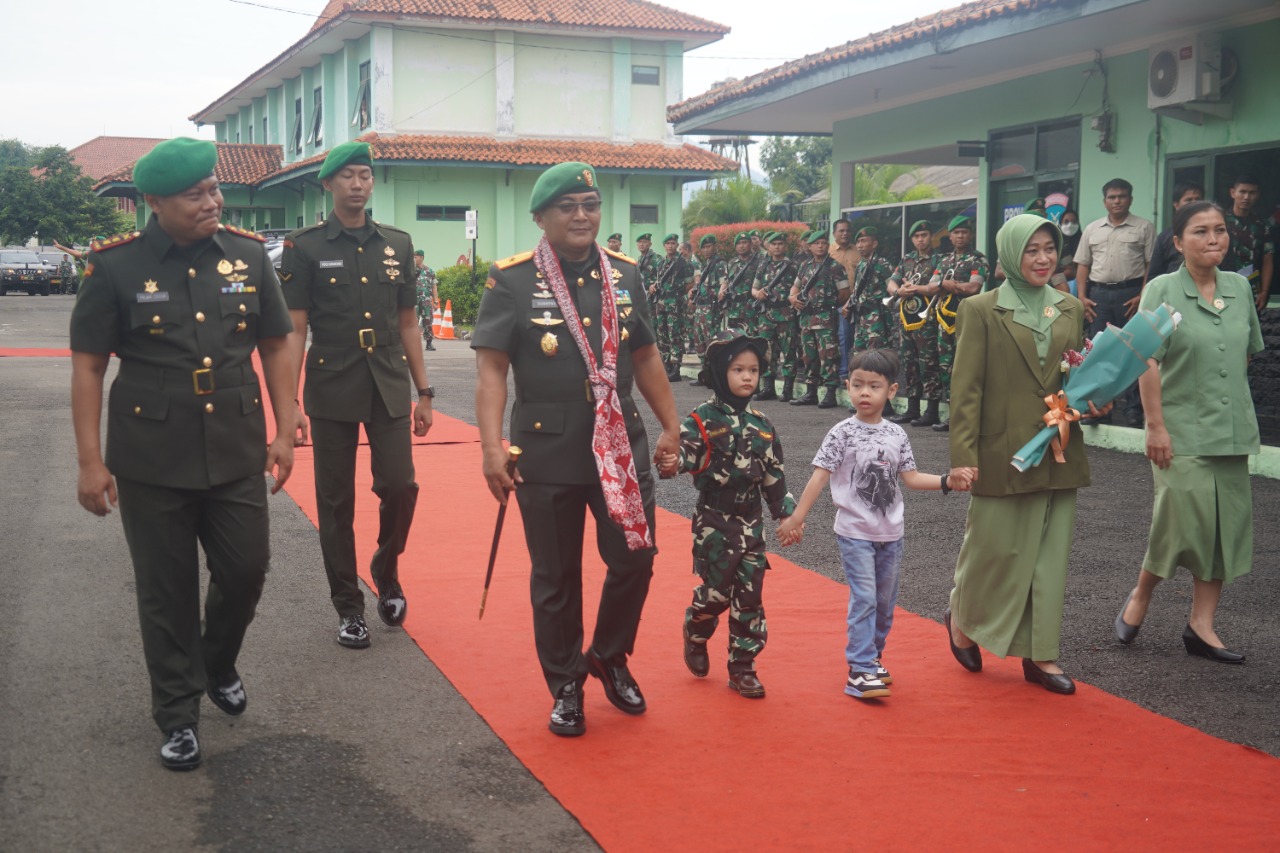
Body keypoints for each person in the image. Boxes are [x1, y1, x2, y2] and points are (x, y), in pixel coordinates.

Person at [70, 138, 297, 770]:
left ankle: (216, 659)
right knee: (165, 591)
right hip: (151, 454)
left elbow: (277, 344)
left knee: (247, 570)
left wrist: (286, 425)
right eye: (195, 195)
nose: (212, 202)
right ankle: (177, 715)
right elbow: (88, 367)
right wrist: (91, 461)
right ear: (154, 202)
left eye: (215, 190)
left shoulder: (249, 257)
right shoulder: (113, 267)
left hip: (235, 444)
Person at [473, 161, 681, 737]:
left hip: (620, 445)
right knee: (557, 574)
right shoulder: (511, 280)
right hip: (547, 451)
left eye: (589, 204)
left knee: (636, 556)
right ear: (541, 218)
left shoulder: (626, 274)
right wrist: (492, 447)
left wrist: (671, 425)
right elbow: (491, 372)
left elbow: (646, 358)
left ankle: (609, 656)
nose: (582, 216)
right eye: (567, 207)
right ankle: (566, 682)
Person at [944, 213, 1113, 695]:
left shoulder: (1068, 306)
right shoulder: (980, 308)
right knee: (992, 550)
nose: (1042, 259)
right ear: (1009, 255)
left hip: (1058, 448)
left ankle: (1042, 654)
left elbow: (1076, 375)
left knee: (1049, 556)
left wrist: (1099, 396)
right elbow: (966, 390)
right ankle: (963, 618)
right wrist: (962, 456)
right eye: (1031, 250)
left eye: (1049, 250)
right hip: (1001, 449)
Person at [279, 141, 433, 649]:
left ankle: (386, 570)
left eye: (365, 175)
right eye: (347, 176)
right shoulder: (304, 248)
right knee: (335, 501)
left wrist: (425, 392)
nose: (358, 183)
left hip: (387, 380)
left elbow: (409, 322)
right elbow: (295, 329)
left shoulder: (397, 244)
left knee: (400, 486)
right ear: (328, 184)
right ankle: (348, 606)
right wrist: (290, 403)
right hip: (331, 381)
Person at [1115, 201, 1263, 663]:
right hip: (1179, 428)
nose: (1214, 239)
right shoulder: (1163, 287)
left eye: (1219, 230)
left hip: (1231, 429)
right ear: (1178, 243)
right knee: (1179, 519)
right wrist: (1155, 426)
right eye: (1200, 232)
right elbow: (1146, 358)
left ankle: (1202, 625)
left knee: (1225, 527)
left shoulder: (1239, 287)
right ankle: (1142, 592)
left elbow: (1244, 355)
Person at [778, 350, 970, 699]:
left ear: (891, 391)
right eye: (857, 385)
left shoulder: (897, 434)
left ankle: (873, 658)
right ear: (847, 387)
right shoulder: (841, 433)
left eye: (874, 386)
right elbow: (819, 477)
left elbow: (910, 478)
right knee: (864, 597)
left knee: (885, 602)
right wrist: (796, 518)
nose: (864, 393)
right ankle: (860, 668)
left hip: (891, 533)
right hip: (854, 533)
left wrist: (947, 481)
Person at [658, 330, 795, 698]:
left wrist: (786, 515)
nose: (747, 377)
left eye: (753, 370)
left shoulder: (763, 425)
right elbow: (683, 455)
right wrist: (671, 462)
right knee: (715, 596)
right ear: (721, 372)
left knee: (749, 597)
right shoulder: (701, 419)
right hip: (714, 524)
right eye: (738, 369)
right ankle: (696, 630)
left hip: (751, 523)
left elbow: (773, 475)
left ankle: (743, 666)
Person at [1075, 178, 1156, 426]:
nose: (1117, 201)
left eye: (1122, 196)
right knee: (1099, 352)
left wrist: (1142, 295)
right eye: (1112, 197)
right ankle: (1099, 407)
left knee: (1132, 352)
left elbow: (1151, 265)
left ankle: (1134, 409)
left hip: (1130, 295)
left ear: (1130, 199)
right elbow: (1083, 265)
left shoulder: (1144, 227)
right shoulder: (1092, 229)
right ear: (1104, 201)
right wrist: (1082, 297)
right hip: (1098, 296)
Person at [927, 215, 989, 432]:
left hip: (968, 320)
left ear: (970, 235)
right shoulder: (943, 261)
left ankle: (970, 417)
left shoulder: (978, 259)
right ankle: (953, 415)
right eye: (956, 233)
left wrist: (946, 285)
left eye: (964, 232)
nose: (960, 236)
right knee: (946, 367)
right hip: (944, 321)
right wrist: (947, 284)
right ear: (950, 236)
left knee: (968, 367)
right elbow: (931, 286)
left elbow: (973, 288)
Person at [886, 220, 942, 426]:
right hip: (906, 320)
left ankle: (932, 411)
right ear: (912, 239)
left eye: (924, 235)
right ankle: (912, 409)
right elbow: (892, 281)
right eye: (917, 236)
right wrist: (897, 291)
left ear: (931, 237)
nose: (921, 239)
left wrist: (914, 288)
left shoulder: (939, 260)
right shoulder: (907, 260)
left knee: (928, 364)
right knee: (909, 363)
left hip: (927, 321)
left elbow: (935, 288)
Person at [788, 229, 849, 409]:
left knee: (829, 355)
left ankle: (830, 393)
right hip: (806, 319)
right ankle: (811, 392)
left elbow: (845, 292)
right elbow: (794, 288)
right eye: (817, 243)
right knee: (809, 356)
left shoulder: (835, 266)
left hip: (825, 319)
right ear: (810, 246)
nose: (821, 246)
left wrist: (827, 306)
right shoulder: (805, 266)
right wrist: (792, 298)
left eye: (823, 243)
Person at [845, 226, 893, 412]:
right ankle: (863, 399)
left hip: (877, 318)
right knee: (860, 358)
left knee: (878, 359)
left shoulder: (882, 264)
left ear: (875, 243)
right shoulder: (862, 265)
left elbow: (891, 287)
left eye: (864, 241)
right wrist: (849, 304)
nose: (860, 245)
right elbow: (857, 291)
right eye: (858, 242)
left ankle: (884, 401)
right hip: (861, 318)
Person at [751, 231, 799, 401]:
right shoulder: (763, 265)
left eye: (780, 244)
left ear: (785, 246)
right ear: (768, 247)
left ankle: (787, 389)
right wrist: (759, 294)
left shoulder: (793, 266)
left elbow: (799, 288)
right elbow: (754, 288)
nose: (777, 247)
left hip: (786, 314)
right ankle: (768, 387)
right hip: (767, 315)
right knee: (767, 352)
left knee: (789, 352)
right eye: (774, 244)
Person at [1220, 174, 1274, 311]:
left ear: (1258, 195)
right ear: (1233, 193)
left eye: (1251, 193)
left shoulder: (1262, 225)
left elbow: (1268, 259)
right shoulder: (1219, 221)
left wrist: (1265, 292)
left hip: (1251, 289)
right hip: (1221, 287)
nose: (1246, 197)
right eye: (1242, 192)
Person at [650, 233, 694, 380]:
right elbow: (658, 281)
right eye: (667, 243)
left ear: (677, 245)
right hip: (661, 304)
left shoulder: (684, 263)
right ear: (664, 246)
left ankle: (676, 367)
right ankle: (666, 366)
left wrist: (676, 292)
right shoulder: (661, 263)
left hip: (675, 304)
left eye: (673, 243)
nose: (670, 246)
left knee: (675, 335)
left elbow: (690, 284)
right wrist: (653, 287)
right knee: (662, 335)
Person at [1147, 183, 1204, 280]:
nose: (1194, 203)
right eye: (1188, 200)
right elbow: (1154, 275)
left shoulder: (1215, 234)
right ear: (1176, 205)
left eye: (1198, 199)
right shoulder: (1165, 237)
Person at [689, 234, 725, 382]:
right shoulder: (706, 264)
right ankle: (705, 373)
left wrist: (722, 291)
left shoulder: (719, 263)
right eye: (703, 247)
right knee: (699, 341)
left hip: (712, 307)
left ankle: (714, 374)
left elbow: (724, 282)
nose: (706, 250)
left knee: (711, 340)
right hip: (701, 306)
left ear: (714, 246)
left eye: (708, 246)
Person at [828, 219, 860, 381]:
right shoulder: (828, 251)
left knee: (850, 339)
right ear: (834, 233)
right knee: (836, 339)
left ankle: (848, 374)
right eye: (841, 231)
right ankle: (836, 374)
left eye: (847, 230)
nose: (845, 233)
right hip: (834, 303)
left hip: (855, 302)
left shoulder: (858, 251)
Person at [720, 232, 760, 332]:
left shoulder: (760, 261)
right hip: (733, 309)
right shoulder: (732, 263)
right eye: (738, 243)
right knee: (734, 340)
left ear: (750, 244)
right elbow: (726, 281)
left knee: (751, 340)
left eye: (744, 242)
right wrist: (721, 291)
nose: (741, 246)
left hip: (751, 308)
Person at [413, 249, 440, 351]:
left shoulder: (430, 271)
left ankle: (429, 343)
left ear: (422, 257)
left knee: (427, 321)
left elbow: (434, 287)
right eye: (413, 257)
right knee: (413, 322)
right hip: (413, 299)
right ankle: (413, 344)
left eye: (416, 257)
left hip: (426, 300)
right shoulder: (411, 270)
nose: (414, 259)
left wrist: (436, 301)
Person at [634, 233, 659, 308]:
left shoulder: (657, 258)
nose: (641, 244)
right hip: (642, 295)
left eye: (644, 242)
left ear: (650, 244)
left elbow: (661, 277)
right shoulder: (639, 259)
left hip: (653, 295)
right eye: (639, 242)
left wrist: (654, 286)